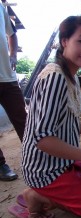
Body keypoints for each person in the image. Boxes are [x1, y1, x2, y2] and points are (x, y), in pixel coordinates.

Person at [8, 16, 81, 218]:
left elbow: (66, 122)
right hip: (44, 168)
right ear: (64, 41)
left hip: (63, 161)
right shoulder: (55, 78)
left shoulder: (71, 76)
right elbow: (42, 139)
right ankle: (36, 195)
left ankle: (56, 190)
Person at [0, 1, 27, 181]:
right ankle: (1, 166)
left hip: (7, 77)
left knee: (23, 119)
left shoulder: (0, 8)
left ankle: (39, 155)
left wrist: (13, 55)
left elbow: (12, 34)